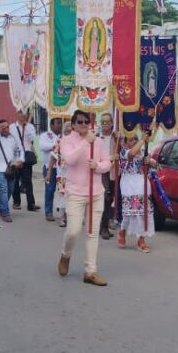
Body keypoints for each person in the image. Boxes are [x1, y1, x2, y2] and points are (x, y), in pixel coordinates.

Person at [57, 109, 111, 286]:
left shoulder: (99, 142)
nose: (83, 125)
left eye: (86, 121)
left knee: (92, 232)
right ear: (73, 124)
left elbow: (107, 163)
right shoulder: (66, 141)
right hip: (75, 193)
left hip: (96, 192)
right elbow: (70, 160)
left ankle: (90, 271)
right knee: (73, 231)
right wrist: (85, 143)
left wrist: (98, 166)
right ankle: (66, 254)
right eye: (79, 122)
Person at [117, 131, 157, 253]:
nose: (134, 141)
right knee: (130, 214)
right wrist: (142, 140)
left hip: (143, 185)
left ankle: (141, 239)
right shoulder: (124, 152)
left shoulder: (144, 151)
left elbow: (155, 166)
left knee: (143, 214)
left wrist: (150, 162)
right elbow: (131, 154)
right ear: (125, 143)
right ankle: (122, 231)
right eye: (131, 139)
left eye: (135, 138)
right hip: (130, 186)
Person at [0, 119, 22, 222]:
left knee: (10, 189)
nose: (5, 129)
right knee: (3, 189)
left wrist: (18, 161)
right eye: (2, 127)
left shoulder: (12, 139)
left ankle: (0, 207)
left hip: (11, 168)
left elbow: (17, 151)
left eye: (7, 127)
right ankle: (5, 213)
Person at [11, 109, 39, 211]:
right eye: (21, 113)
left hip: (26, 156)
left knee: (28, 182)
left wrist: (26, 127)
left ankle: (31, 204)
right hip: (16, 157)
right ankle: (16, 202)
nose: (24, 115)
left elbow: (33, 139)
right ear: (17, 114)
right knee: (15, 181)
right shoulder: (12, 127)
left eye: (25, 113)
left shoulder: (30, 126)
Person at [98, 112, 120, 240]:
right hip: (102, 171)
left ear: (112, 123)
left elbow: (123, 149)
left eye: (107, 122)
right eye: (103, 122)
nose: (105, 124)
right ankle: (103, 227)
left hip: (113, 171)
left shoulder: (115, 137)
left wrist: (119, 139)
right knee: (106, 198)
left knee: (110, 198)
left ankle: (105, 224)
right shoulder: (96, 138)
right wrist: (110, 158)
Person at [47, 119, 72, 227]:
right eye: (66, 127)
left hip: (74, 175)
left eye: (70, 127)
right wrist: (48, 172)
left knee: (72, 196)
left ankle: (70, 217)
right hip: (62, 174)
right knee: (62, 195)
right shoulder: (59, 142)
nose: (68, 129)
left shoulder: (78, 142)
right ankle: (62, 217)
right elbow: (53, 158)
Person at [39, 117, 62, 221]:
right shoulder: (45, 135)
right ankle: (48, 212)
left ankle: (63, 212)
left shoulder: (64, 135)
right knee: (50, 189)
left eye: (61, 123)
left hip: (62, 168)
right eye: (58, 123)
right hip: (50, 167)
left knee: (62, 190)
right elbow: (42, 146)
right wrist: (56, 145)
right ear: (52, 125)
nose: (60, 125)